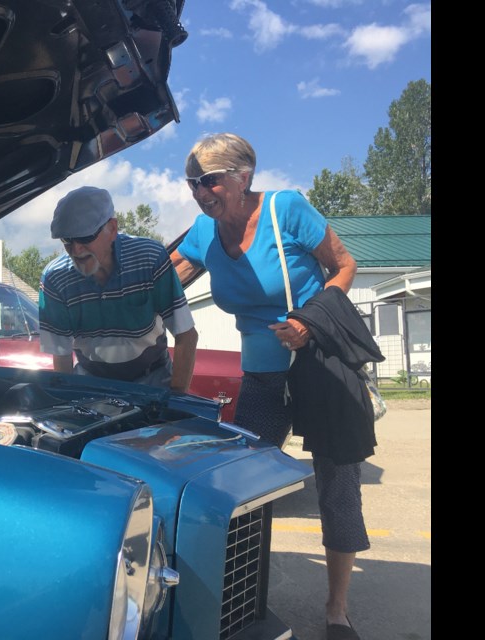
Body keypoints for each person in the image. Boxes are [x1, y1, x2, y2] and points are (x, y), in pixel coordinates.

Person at [168, 133, 364, 640]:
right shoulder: (204, 233)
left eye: (209, 180)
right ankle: (236, 599)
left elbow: (345, 266)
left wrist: (310, 320)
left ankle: (337, 609)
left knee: (337, 487)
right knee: (242, 489)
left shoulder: (287, 209)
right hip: (261, 373)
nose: (200, 192)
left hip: (321, 360)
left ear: (243, 176)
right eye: (193, 183)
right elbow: (164, 281)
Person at [38, 186, 198, 392]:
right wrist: (70, 401)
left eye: (86, 237)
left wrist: (175, 399)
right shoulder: (55, 278)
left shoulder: (149, 258)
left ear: (112, 228)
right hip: (90, 384)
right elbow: (61, 353)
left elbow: (186, 334)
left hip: (153, 380)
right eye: (67, 240)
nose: (76, 250)